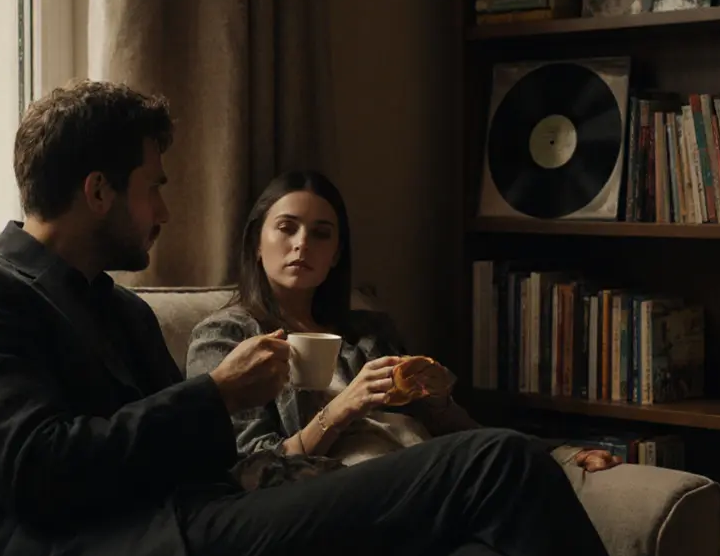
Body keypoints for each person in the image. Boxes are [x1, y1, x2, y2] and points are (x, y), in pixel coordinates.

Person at [0, 78, 620, 556]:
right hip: (125, 551)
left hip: (211, 517)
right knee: (498, 461)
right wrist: (219, 395)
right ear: (98, 191)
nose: (163, 211)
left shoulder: (121, 309)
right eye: (154, 186)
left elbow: (205, 460)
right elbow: (35, 469)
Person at [185, 170, 623, 482]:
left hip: (422, 467)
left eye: (321, 233)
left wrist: (437, 401)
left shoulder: (370, 332)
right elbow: (252, 469)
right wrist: (339, 410)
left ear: (336, 254)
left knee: (510, 489)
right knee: (500, 468)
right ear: (256, 244)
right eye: (286, 228)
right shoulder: (226, 338)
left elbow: (454, 429)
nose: (302, 243)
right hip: (346, 491)